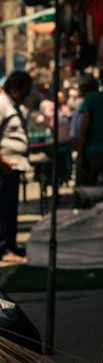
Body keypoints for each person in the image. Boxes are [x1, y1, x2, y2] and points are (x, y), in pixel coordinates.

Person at [0, 72, 31, 263]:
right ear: (15, 88)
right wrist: (2, 161)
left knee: (10, 208)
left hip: (13, 165)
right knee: (3, 209)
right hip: (4, 166)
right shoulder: (2, 104)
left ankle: (9, 245)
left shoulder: (12, 105)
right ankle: (4, 248)